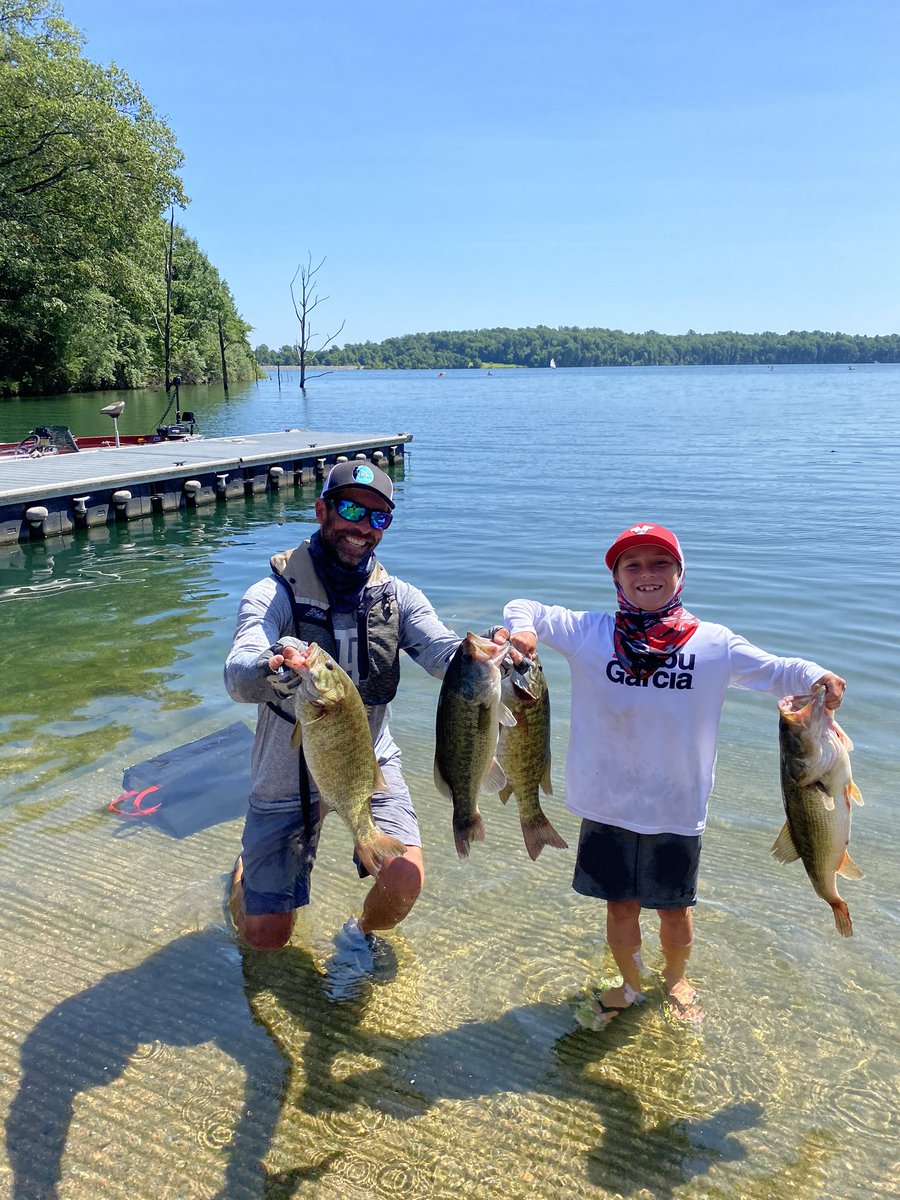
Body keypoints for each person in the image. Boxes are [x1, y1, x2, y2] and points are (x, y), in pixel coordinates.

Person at [503, 522, 845, 1026]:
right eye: (632, 565)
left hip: (676, 808)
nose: (647, 574)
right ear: (616, 578)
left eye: (660, 563)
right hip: (607, 804)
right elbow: (524, 607)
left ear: (680, 573)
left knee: (674, 911)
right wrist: (522, 631)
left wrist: (816, 676)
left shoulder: (713, 644)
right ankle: (630, 985)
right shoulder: (590, 633)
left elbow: (778, 671)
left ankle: (677, 980)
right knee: (619, 908)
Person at [224, 460, 466, 990]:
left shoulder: (398, 597)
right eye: (352, 510)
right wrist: (269, 668)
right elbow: (237, 676)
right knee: (265, 938)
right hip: (285, 769)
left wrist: (486, 654)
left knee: (403, 877)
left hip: (366, 759)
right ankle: (244, 877)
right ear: (322, 510)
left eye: (378, 517)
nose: (362, 527)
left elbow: (444, 653)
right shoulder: (274, 593)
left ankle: (358, 933)